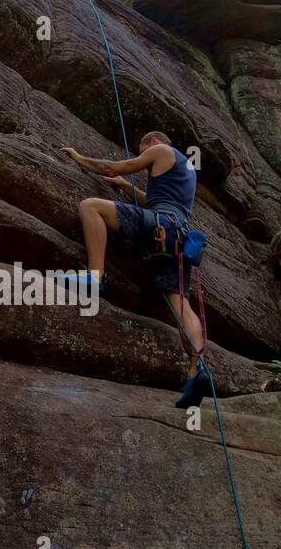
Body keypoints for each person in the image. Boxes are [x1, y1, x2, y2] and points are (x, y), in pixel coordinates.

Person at [59, 130, 214, 408]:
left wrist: (78, 157)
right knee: (182, 308)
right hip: (178, 237)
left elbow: (112, 166)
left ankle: (95, 276)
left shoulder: (161, 150)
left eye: (141, 149)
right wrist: (125, 186)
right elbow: (155, 200)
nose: (143, 154)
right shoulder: (187, 171)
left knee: (91, 206)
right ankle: (196, 369)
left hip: (158, 227)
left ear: (152, 143)